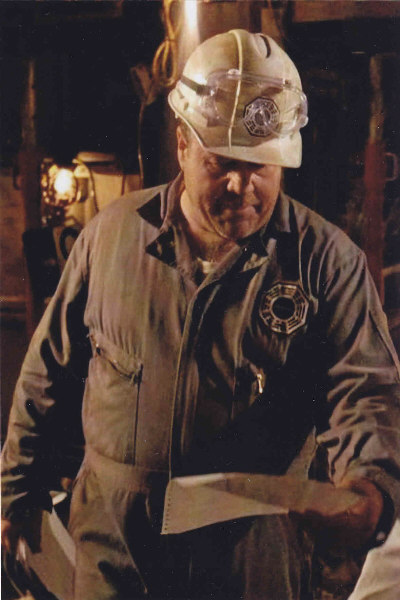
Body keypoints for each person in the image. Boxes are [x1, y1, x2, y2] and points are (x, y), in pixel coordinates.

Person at [2, 29, 400, 600]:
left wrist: (368, 486)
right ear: (183, 144)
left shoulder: (325, 263)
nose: (242, 185)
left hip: (250, 559)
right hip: (112, 551)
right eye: (222, 162)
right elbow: (48, 372)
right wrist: (15, 494)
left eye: (262, 166)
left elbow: (365, 393)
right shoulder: (112, 239)